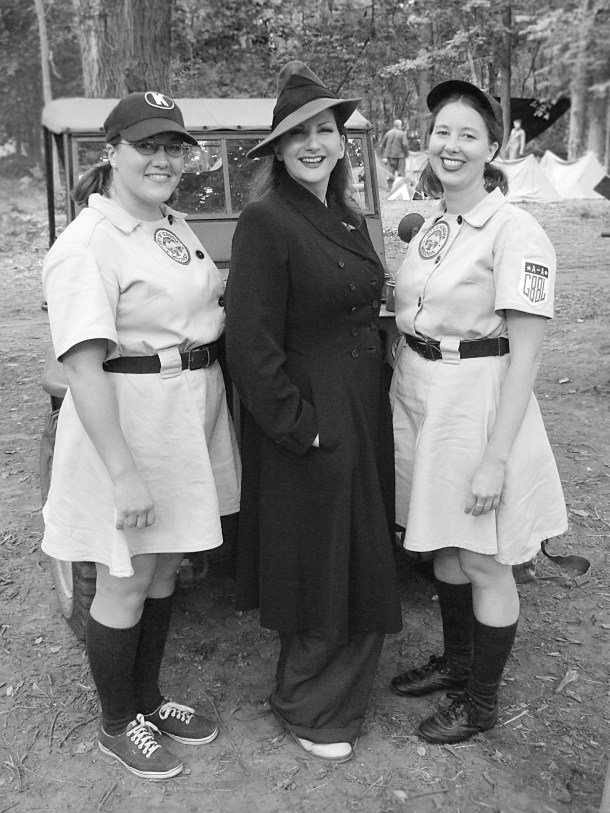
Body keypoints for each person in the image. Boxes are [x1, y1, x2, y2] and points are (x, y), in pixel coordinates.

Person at [42, 92, 241, 779]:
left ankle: (148, 699)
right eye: (146, 145)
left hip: (184, 414)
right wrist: (123, 472)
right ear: (112, 153)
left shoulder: (171, 225)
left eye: (174, 146)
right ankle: (115, 721)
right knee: (124, 576)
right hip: (128, 424)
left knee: (161, 570)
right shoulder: (88, 244)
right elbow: (83, 364)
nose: (163, 158)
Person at [224, 61, 402, 764]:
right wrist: (303, 426)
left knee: (359, 552)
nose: (313, 144)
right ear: (277, 149)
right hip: (312, 415)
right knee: (321, 561)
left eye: (324, 130)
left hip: (360, 406)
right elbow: (250, 344)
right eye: (297, 134)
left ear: (341, 142)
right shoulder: (266, 221)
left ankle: (331, 698)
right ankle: (309, 705)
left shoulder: (346, 214)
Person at [389, 80, 567, 745]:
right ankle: (457, 664)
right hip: (424, 396)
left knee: (486, 557)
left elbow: (526, 355)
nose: (452, 145)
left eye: (468, 134)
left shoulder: (518, 231)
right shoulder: (434, 222)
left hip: (481, 402)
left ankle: (480, 703)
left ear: (494, 147)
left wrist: (496, 455)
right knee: (442, 546)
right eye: (442, 132)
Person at [380, 118, 409, 187]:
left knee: (390, 172)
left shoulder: (388, 133)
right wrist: (406, 154)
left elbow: (383, 144)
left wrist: (384, 154)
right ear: (400, 125)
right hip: (400, 155)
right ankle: (400, 188)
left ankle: (390, 187)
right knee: (401, 173)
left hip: (390, 155)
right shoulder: (402, 134)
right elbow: (405, 145)